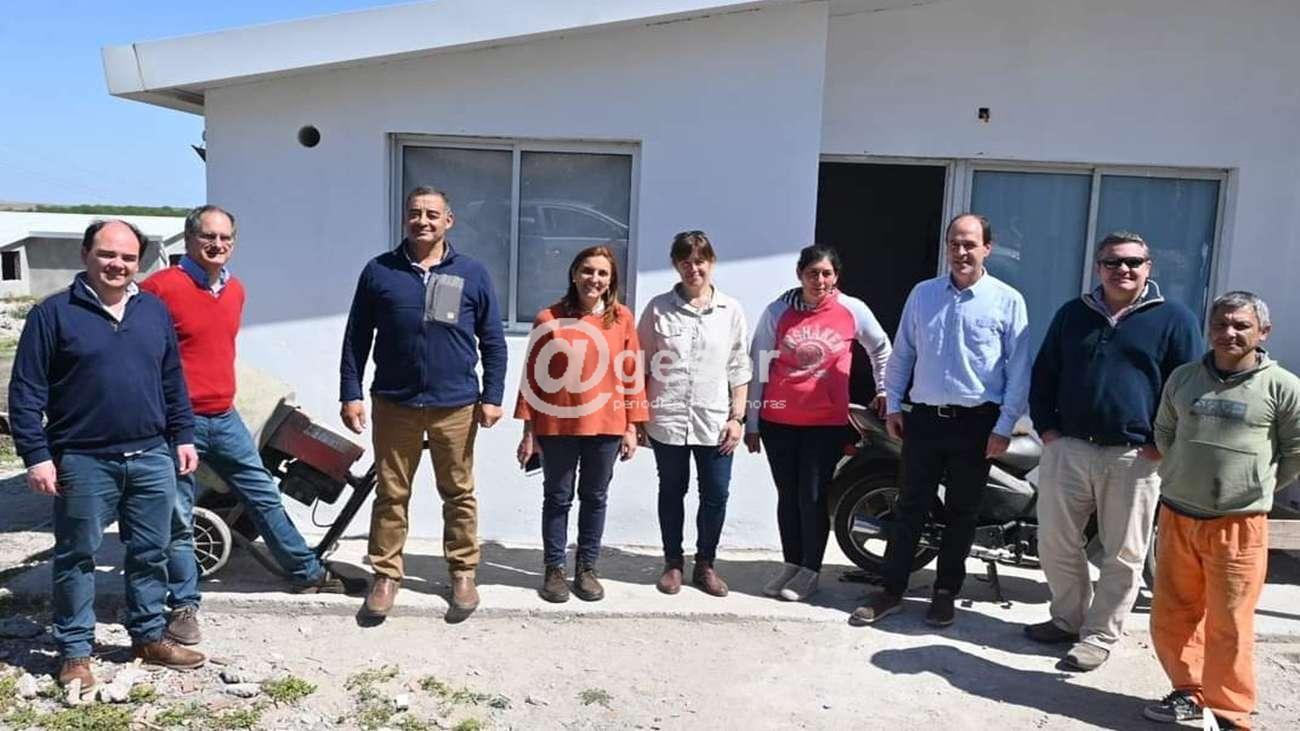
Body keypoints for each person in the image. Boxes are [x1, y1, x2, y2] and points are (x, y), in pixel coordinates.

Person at [142, 205, 365, 645]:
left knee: (262, 493)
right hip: (177, 424)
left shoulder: (234, 291)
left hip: (224, 417)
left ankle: (306, 573)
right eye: (208, 236)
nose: (217, 245)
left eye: (225, 238)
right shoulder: (160, 288)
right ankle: (183, 605)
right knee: (178, 515)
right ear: (189, 238)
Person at [8, 220, 206, 689]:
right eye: (107, 254)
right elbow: (26, 393)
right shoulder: (52, 315)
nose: (118, 264)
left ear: (140, 262)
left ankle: (148, 636)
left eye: (128, 257)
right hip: (84, 460)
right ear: (86, 255)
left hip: (152, 456)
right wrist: (37, 455)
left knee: (151, 552)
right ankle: (76, 652)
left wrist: (183, 435)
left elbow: (172, 380)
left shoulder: (153, 311)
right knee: (76, 556)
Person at [1025, 231, 1201, 671]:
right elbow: (1044, 373)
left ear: (1148, 267)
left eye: (1133, 262)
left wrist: (1161, 444)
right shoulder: (1073, 314)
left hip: (1135, 457)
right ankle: (1067, 618)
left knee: (1123, 553)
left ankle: (1099, 635)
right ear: (1098, 267)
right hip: (1069, 448)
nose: (1123, 269)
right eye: (1113, 262)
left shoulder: (1174, 319)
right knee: (1054, 541)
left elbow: (1187, 389)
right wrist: (1048, 428)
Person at [850, 213, 1030, 627]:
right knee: (910, 505)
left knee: (962, 513)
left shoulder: (1007, 300)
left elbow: (1019, 370)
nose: (961, 252)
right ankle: (891, 590)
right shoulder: (924, 294)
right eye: (954, 243)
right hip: (925, 421)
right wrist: (894, 406)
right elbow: (903, 353)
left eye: (970, 244)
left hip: (977, 424)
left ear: (987, 248)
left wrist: (1003, 427)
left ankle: (945, 592)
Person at [340, 186, 508, 621]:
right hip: (395, 403)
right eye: (415, 213)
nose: (423, 221)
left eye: (432, 214)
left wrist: (493, 396)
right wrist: (350, 393)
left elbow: (492, 340)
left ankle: (463, 572)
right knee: (392, 492)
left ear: (448, 221)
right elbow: (356, 338)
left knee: (458, 492)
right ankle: (386, 575)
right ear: (405, 218)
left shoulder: (472, 273)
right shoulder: (380, 271)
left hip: (456, 404)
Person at [1142, 292, 1300, 731]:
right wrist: (1182, 473)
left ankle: (1229, 713)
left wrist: (1252, 486)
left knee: (1230, 623)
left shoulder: (1283, 387)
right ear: (1208, 329)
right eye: (1220, 324)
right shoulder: (1184, 378)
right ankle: (1188, 692)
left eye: (1240, 325)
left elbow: (1294, 453)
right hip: (1178, 515)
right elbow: (1165, 431)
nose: (1228, 333)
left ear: (1263, 332)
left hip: (1238, 524)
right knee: (1173, 615)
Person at [744, 244, 892, 602]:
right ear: (800, 274)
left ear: (836, 276)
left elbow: (880, 347)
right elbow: (758, 364)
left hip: (825, 423)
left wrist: (884, 388)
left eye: (827, 273)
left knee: (811, 496)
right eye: (813, 273)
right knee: (787, 496)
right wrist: (752, 421)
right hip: (778, 420)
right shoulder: (778, 311)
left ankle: (810, 570)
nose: (820, 280)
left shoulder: (852, 310)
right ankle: (791, 564)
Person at [515, 244, 648, 603]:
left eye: (603, 273)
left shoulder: (622, 319)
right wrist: (528, 432)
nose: (594, 279)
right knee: (557, 498)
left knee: (595, 497)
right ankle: (554, 569)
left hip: (607, 425)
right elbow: (532, 379)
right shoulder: (549, 318)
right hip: (557, 426)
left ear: (611, 280)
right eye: (588, 271)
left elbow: (632, 373)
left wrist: (632, 426)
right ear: (574, 274)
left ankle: (587, 568)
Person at [637, 231, 751, 597]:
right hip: (666, 419)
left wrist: (737, 418)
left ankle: (705, 564)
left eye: (700, 261)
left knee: (716, 493)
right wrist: (636, 417)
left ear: (711, 263)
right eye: (685, 262)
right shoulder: (658, 308)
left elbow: (739, 367)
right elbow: (639, 364)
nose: (693, 268)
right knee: (672, 491)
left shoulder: (730, 310)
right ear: (675, 265)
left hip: (714, 421)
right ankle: (673, 563)